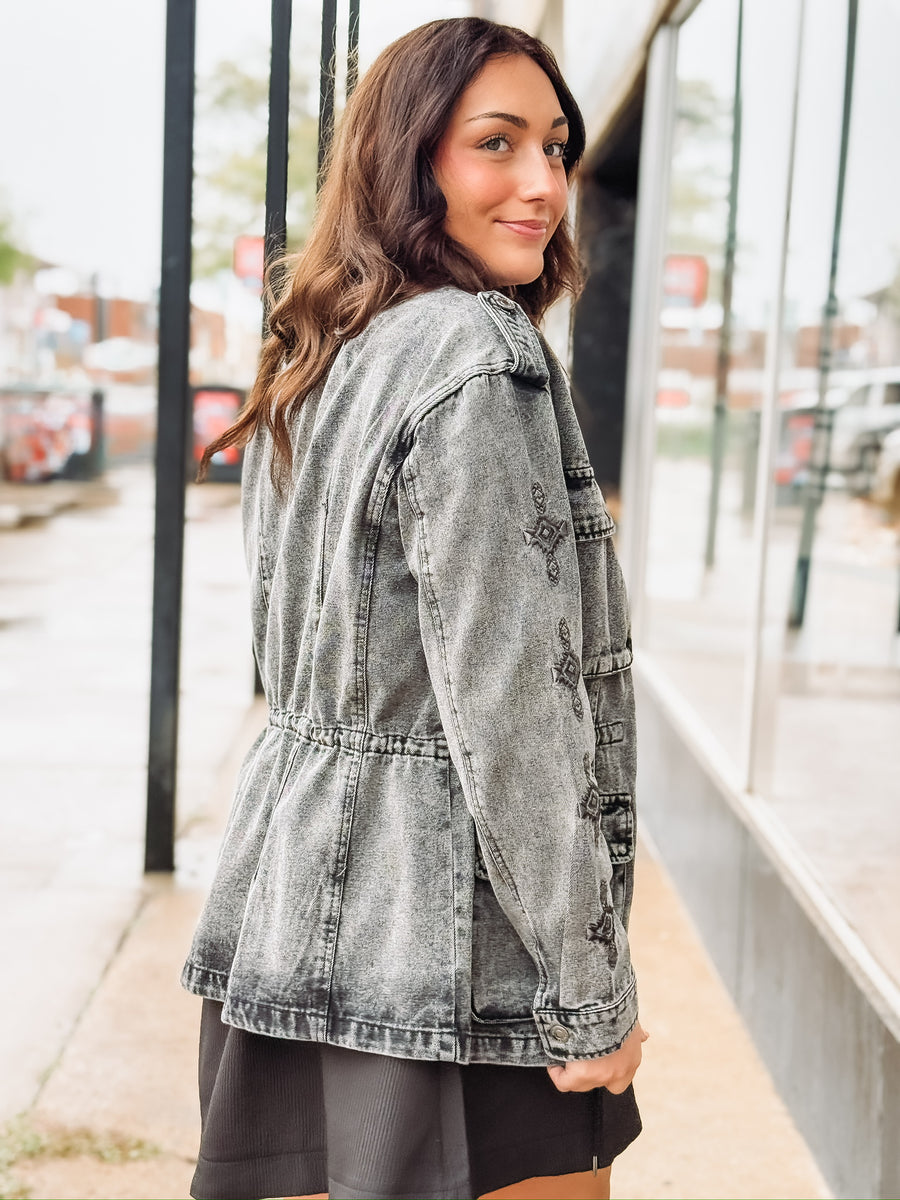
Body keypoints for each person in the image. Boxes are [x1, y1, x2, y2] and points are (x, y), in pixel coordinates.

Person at [183, 17, 647, 1200]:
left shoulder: (325, 341)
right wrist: (589, 995)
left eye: (555, 145)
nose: (543, 183)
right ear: (413, 157)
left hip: (288, 914)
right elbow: (514, 708)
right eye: (497, 144)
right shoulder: (480, 359)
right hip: (456, 960)